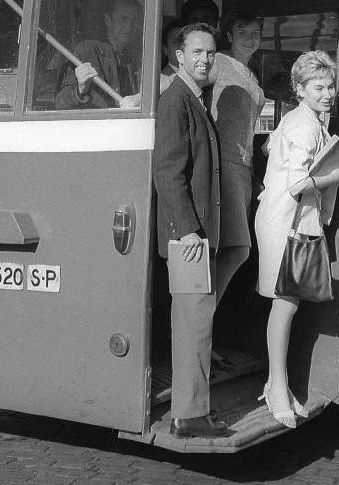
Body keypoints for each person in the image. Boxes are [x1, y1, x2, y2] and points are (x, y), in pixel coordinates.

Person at [254, 50, 339, 428]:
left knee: (287, 303)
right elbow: (297, 184)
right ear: (300, 90)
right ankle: (277, 387)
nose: (326, 94)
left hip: (290, 220)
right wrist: (333, 177)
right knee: (285, 304)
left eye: (330, 86)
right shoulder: (304, 126)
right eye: (318, 87)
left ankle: (278, 383)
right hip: (284, 221)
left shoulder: (304, 121)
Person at [152, 22, 228, 439]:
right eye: (197, 52)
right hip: (189, 239)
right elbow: (167, 171)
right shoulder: (176, 101)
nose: (204, 59)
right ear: (178, 56)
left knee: (194, 321)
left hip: (194, 235)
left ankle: (191, 410)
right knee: (194, 323)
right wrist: (188, 230)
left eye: (211, 53)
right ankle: (190, 415)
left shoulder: (192, 100)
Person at [206, 9, 266, 305]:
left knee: (231, 250)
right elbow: (178, 81)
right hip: (223, 162)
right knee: (237, 248)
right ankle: (200, 326)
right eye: (242, 33)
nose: (249, 39)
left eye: (255, 33)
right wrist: (139, 99)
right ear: (229, 35)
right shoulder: (218, 61)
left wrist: (254, 175)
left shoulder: (251, 74)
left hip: (242, 168)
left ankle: (203, 329)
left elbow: (249, 130)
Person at [55, 0, 142, 109]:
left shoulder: (134, 59)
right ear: (108, 20)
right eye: (123, 18)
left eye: (134, 21)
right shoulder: (88, 50)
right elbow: (60, 102)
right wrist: (80, 90)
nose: (129, 26)